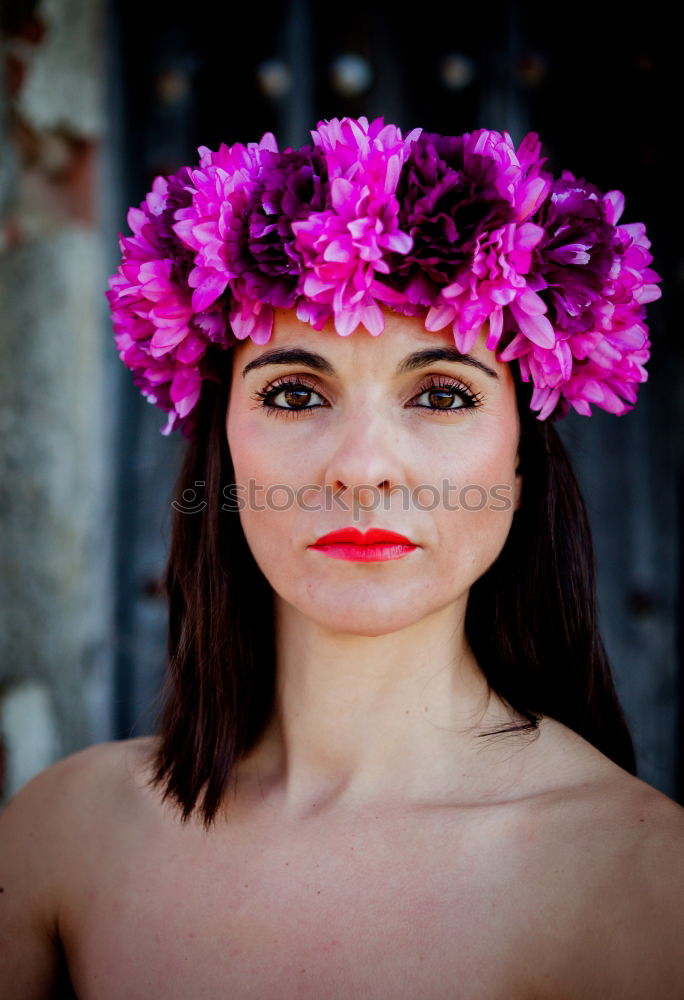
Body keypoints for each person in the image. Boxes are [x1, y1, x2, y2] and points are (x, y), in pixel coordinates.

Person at [1, 117, 683, 999]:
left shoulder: (641, 882)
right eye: (292, 393)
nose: (362, 469)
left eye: (441, 394)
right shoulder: (64, 836)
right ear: (224, 454)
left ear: (519, 464)